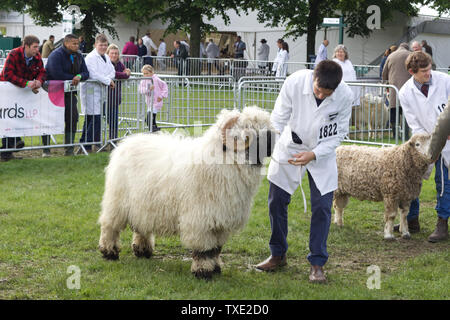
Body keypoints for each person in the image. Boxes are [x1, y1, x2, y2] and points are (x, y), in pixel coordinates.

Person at [255, 60, 354, 283]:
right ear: (313, 77)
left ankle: (317, 262)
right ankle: (277, 253)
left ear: (336, 88)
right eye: (318, 89)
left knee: (322, 207)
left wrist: (315, 154)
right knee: (276, 201)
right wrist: (270, 145)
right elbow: (278, 119)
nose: (320, 95)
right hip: (291, 146)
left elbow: (340, 133)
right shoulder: (294, 82)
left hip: (322, 154)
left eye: (326, 94)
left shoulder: (345, 95)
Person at [398, 51, 450, 242]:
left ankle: (442, 223)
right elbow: (414, 123)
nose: (429, 74)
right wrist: (430, 146)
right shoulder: (405, 92)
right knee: (411, 177)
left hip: (449, 142)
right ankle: (411, 219)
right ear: (412, 72)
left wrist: (444, 136)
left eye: (429, 69)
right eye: (424, 71)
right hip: (424, 141)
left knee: (443, 181)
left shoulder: (445, 80)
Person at [42, 33, 89, 157]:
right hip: (53, 92)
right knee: (49, 119)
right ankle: (46, 150)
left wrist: (79, 76)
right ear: (66, 43)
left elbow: (86, 72)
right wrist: (72, 78)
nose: (77, 45)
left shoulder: (78, 55)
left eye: (77, 43)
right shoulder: (55, 55)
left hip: (69, 93)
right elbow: (56, 73)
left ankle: (69, 149)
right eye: (74, 43)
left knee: (72, 119)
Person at [0, 35, 46, 162]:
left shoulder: (37, 57)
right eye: (35, 47)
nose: (37, 50)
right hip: (7, 91)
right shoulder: (14, 54)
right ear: (26, 46)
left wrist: (39, 82)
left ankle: (9, 150)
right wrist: (26, 83)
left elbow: (42, 72)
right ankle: (12, 144)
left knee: (18, 116)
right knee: (8, 119)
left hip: (22, 94)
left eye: (38, 47)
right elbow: (7, 74)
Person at [80, 34, 115, 153]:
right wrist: (107, 80)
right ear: (95, 45)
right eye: (101, 45)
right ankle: (87, 145)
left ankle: (85, 144)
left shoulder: (106, 56)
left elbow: (112, 71)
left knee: (91, 119)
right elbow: (92, 74)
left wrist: (109, 79)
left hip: (100, 91)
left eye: (105, 45)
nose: (103, 47)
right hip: (91, 91)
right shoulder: (90, 57)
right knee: (94, 118)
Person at [382, 42, 412, 139]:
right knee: (406, 113)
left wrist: (386, 84)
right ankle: (406, 135)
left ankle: (395, 135)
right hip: (408, 89)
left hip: (394, 89)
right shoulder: (410, 55)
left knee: (394, 112)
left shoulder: (391, 56)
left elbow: (384, 72)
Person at [106, 44, 131, 142]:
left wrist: (126, 73)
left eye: (116, 53)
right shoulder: (106, 63)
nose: (114, 55)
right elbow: (114, 74)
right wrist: (124, 74)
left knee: (114, 120)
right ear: (108, 54)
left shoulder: (120, 64)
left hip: (115, 97)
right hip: (105, 96)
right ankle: (98, 141)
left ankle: (113, 140)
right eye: (112, 53)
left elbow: (126, 73)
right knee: (105, 119)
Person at [138, 64, 168, 132]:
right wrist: (148, 89)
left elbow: (165, 86)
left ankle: (153, 129)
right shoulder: (143, 80)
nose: (145, 75)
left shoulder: (156, 79)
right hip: (149, 101)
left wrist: (161, 96)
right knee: (151, 117)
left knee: (149, 117)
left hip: (157, 101)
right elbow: (141, 89)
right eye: (144, 73)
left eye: (147, 73)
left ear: (152, 72)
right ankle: (155, 129)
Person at [332, 44, 360, 111]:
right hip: (340, 89)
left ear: (345, 53)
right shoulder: (334, 63)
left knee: (348, 109)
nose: (339, 53)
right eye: (338, 52)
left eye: (341, 52)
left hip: (350, 89)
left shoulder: (348, 62)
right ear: (335, 53)